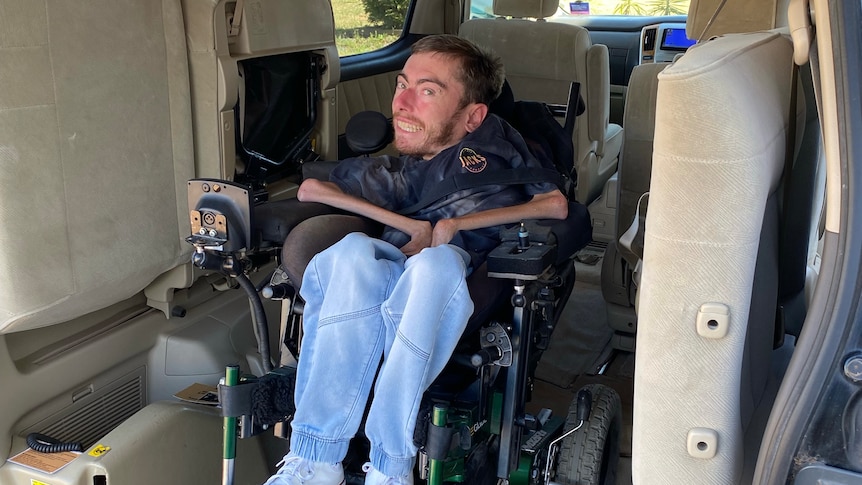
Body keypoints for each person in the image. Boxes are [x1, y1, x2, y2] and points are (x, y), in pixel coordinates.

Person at [264, 34, 568, 485]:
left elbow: (555, 205)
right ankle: (315, 460)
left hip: (458, 277)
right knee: (349, 253)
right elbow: (311, 190)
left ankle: (391, 466)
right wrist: (409, 225)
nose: (402, 103)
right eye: (401, 84)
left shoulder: (495, 145)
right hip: (392, 267)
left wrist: (454, 228)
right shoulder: (393, 174)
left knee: (436, 264)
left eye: (427, 91)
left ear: (473, 117)